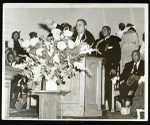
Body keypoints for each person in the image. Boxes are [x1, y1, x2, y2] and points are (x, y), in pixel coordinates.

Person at [96, 25, 121, 111]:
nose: (103, 31)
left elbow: (117, 56)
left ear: (110, 31)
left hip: (110, 67)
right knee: (98, 86)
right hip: (99, 67)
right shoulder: (99, 42)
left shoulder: (114, 41)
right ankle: (100, 106)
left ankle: (111, 106)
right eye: (102, 30)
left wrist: (114, 67)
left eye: (105, 30)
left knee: (108, 85)